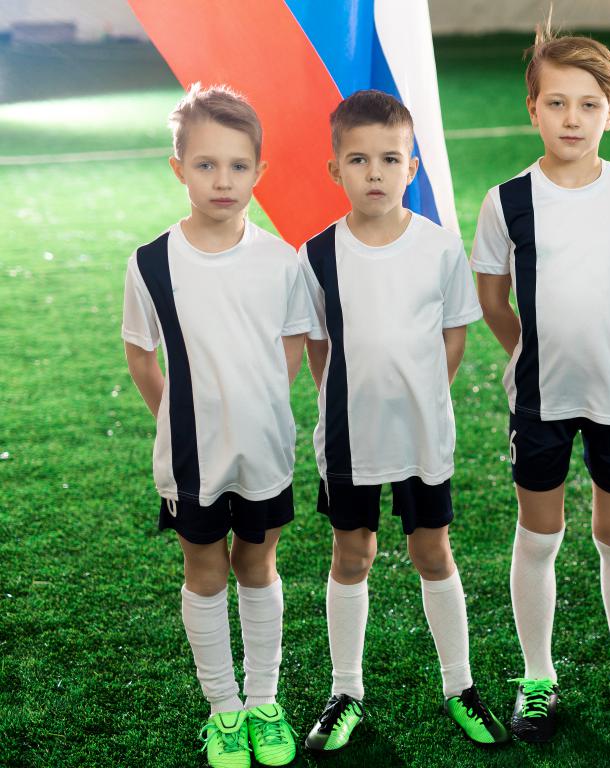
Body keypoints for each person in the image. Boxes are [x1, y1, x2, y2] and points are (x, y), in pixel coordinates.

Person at [471, 22, 610, 742]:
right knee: (540, 534)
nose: (572, 119)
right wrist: (529, 351)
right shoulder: (508, 201)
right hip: (541, 399)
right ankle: (537, 675)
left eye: (588, 105)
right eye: (556, 103)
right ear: (533, 109)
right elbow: (493, 297)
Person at [298, 90, 507, 753]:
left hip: (421, 435)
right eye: (358, 160)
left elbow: (453, 336)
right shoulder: (318, 254)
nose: (376, 173)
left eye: (390, 159)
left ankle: (460, 686)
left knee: (430, 551)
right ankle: (345, 690)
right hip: (349, 439)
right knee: (352, 555)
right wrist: (349, 400)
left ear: (411, 167)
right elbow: (317, 345)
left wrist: (421, 395)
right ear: (335, 169)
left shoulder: (439, 249)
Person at [122, 83, 309, 768]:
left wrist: (258, 402)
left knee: (258, 567)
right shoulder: (150, 263)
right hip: (192, 458)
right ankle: (224, 709)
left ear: (259, 173)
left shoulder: (280, 260)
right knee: (204, 572)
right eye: (205, 165)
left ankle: (264, 700)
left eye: (237, 166)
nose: (222, 180)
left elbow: (291, 342)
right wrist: (178, 418)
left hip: (263, 448)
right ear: (178, 168)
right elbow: (141, 354)